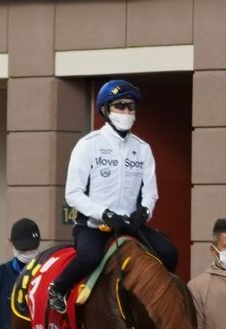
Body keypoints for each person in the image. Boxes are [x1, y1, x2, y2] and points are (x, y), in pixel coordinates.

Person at [47, 79, 178, 313]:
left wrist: (145, 211)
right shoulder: (88, 145)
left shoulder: (143, 148)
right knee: (90, 257)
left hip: (129, 224)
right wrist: (104, 214)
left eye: (131, 107)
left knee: (168, 252)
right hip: (94, 226)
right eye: (120, 106)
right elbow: (73, 193)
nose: (127, 112)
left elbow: (150, 192)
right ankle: (58, 288)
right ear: (106, 110)